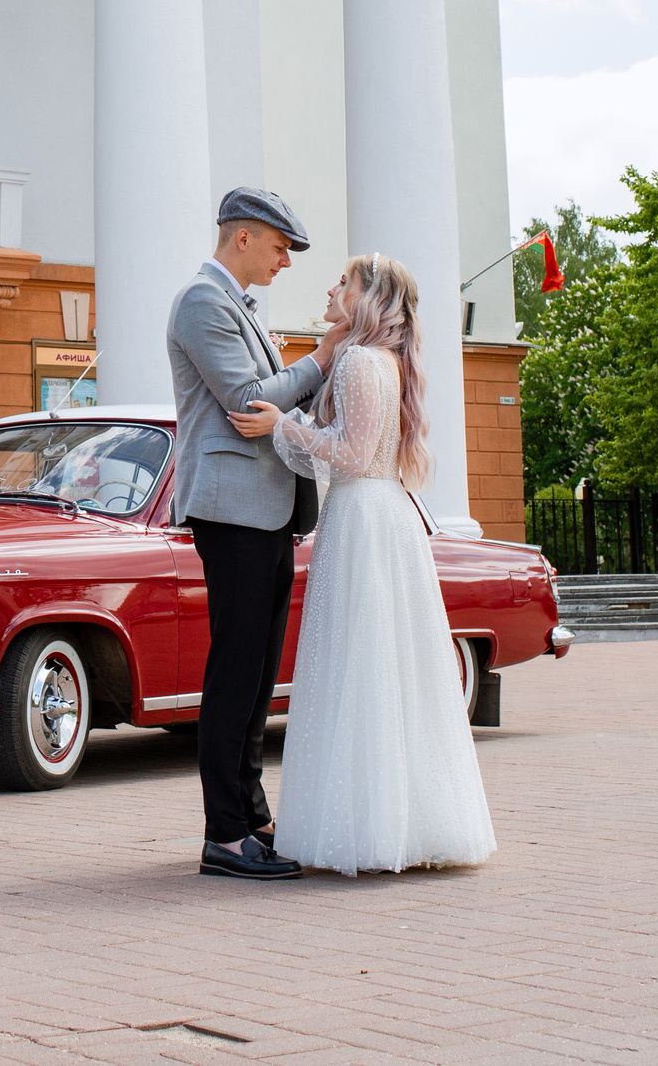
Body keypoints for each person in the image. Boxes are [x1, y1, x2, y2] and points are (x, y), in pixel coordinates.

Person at [229, 253, 496, 875]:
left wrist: (281, 426)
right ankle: (403, 820)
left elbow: (347, 455)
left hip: (361, 517)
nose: (330, 287)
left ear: (367, 298)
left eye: (342, 281)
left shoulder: (356, 361)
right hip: (385, 515)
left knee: (357, 661)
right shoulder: (386, 361)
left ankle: (366, 830)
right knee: (388, 666)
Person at [166, 188, 342, 881]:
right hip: (232, 510)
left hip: (264, 510)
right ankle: (226, 832)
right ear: (244, 237)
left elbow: (270, 400)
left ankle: (253, 813)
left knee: (259, 671)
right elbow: (249, 401)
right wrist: (323, 356)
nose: (286, 262)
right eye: (279, 248)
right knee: (236, 671)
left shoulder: (236, 305)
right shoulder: (201, 301)